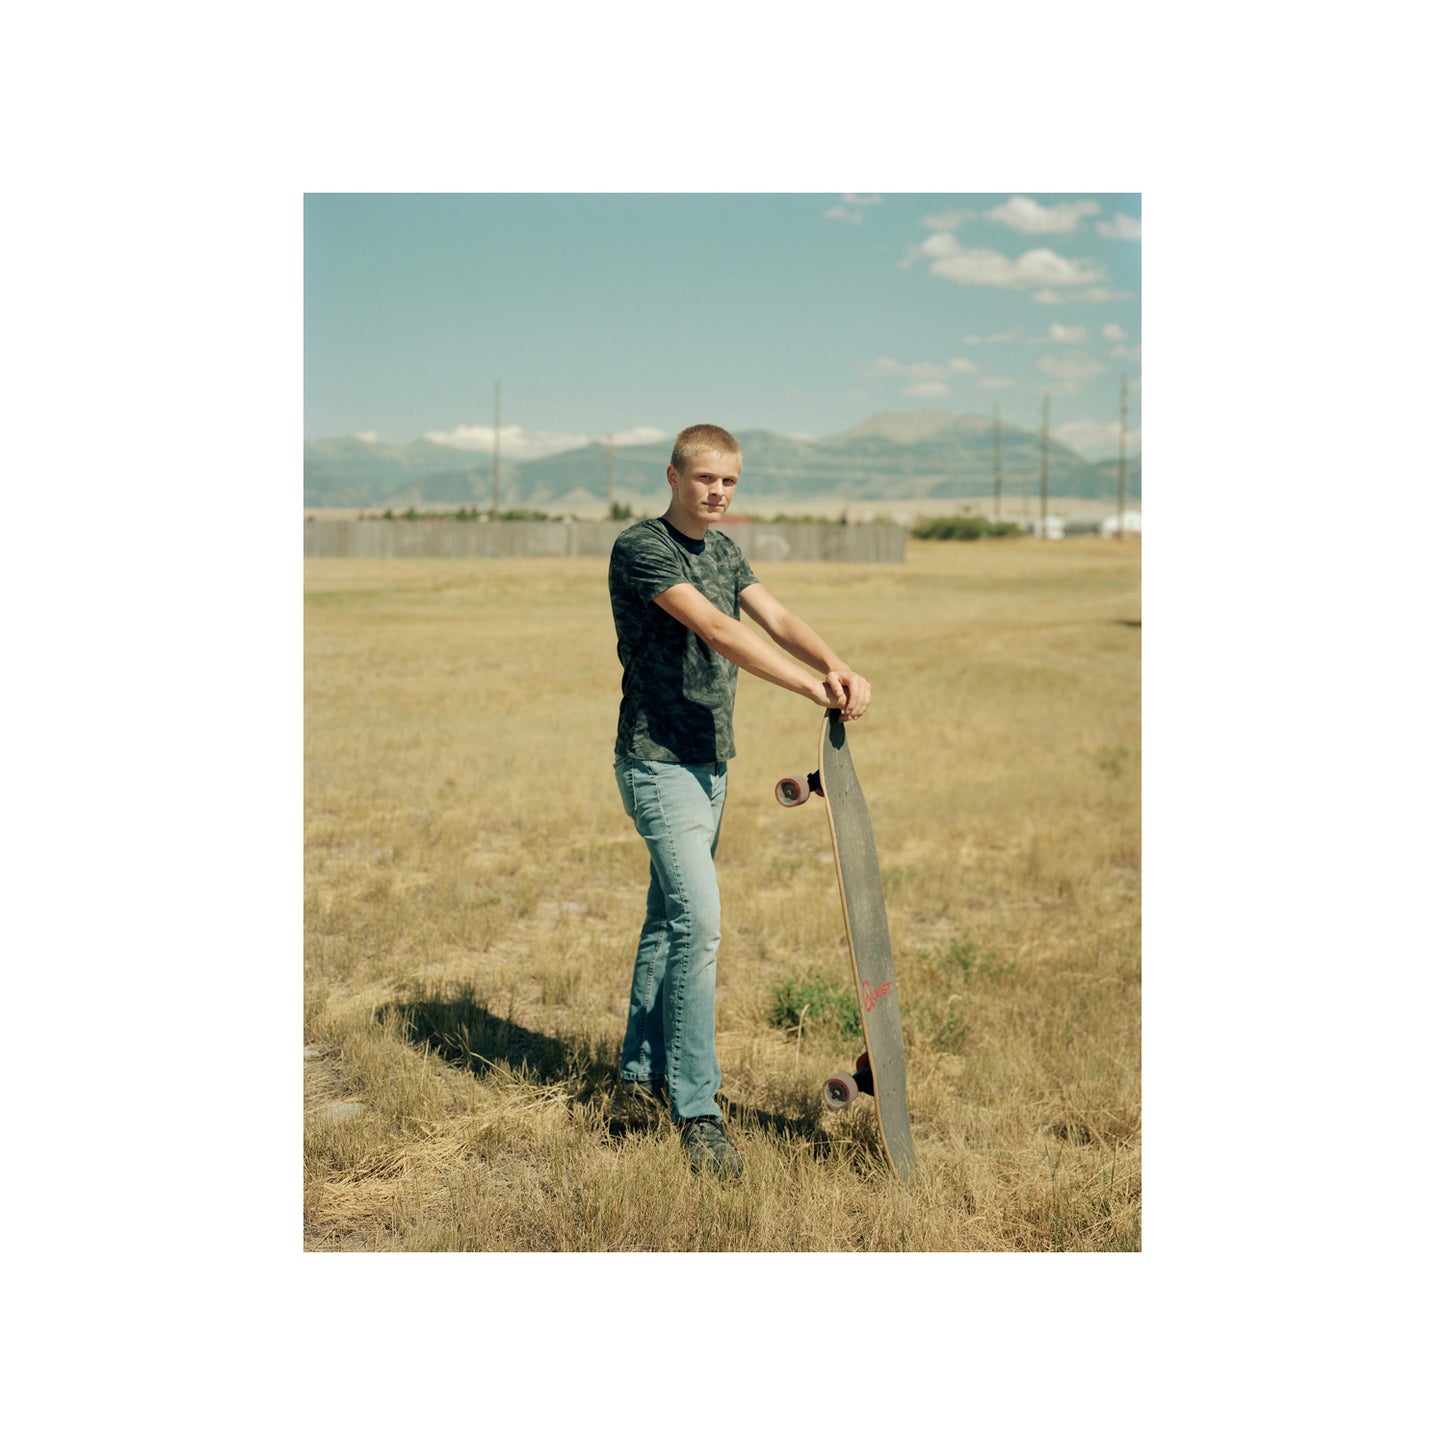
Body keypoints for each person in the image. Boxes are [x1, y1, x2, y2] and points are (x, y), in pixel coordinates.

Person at [608, 423, 872, 1177]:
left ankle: (636, 1079)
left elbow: (774, 616)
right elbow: (719, 629)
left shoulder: (725, 549)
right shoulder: (642, 547)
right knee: (700, 922)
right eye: (704, 479)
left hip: (710, 764)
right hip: (656, 762)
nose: (717, 491)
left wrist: (836, 660)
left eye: (729, 480)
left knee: (668, 920)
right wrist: (808, 687)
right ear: (672, 476)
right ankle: (696, 1109)